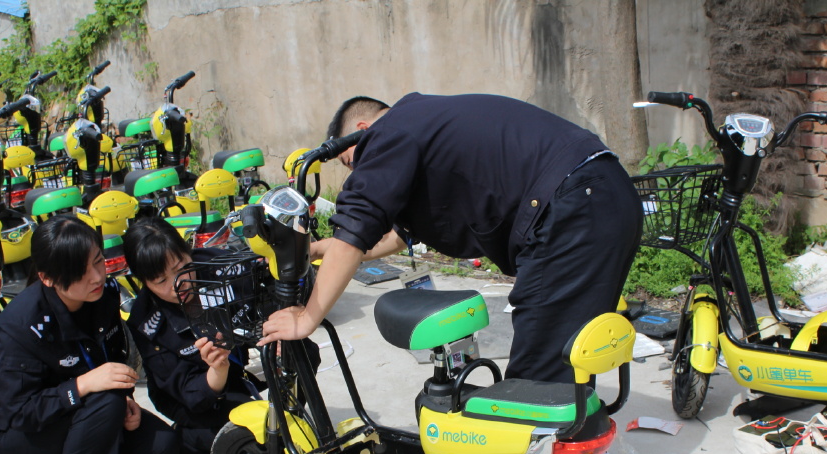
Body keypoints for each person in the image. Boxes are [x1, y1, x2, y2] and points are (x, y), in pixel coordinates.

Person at [259, 93, 643, 385]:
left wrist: (307, 318)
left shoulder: (386, 133)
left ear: (362, 132)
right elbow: (389, 236)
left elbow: (357, 226)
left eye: (350, 162)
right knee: (568, 353)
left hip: (573, 206)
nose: (357, 170)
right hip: (608, 195)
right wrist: (325, 250)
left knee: (537, 376)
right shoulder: (425, 124)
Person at [0, 215, 178, 454]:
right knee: (105, 400)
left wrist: (125, 400)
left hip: (84, 413)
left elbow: (109, 356)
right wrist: (84, 386)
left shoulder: (106, 295)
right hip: (16, 435)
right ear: (48, 278)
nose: (98, 276)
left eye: (98, 260)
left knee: (163, 446)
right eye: (81, 271)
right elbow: (20, 412)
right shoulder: (21, 325)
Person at [122, 217, 265, 454]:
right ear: (143, 282)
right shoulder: (147, 324)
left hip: (242, 360)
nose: (178, 285)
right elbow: (191, 394)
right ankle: (189, 452)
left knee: (300, 353)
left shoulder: (219, 265)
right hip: (196, 392)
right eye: (160, 280)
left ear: (189, 251)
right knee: (232, 434)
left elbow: (269, 291)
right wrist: (217, 368)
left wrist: (277, 329)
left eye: (181, 268)